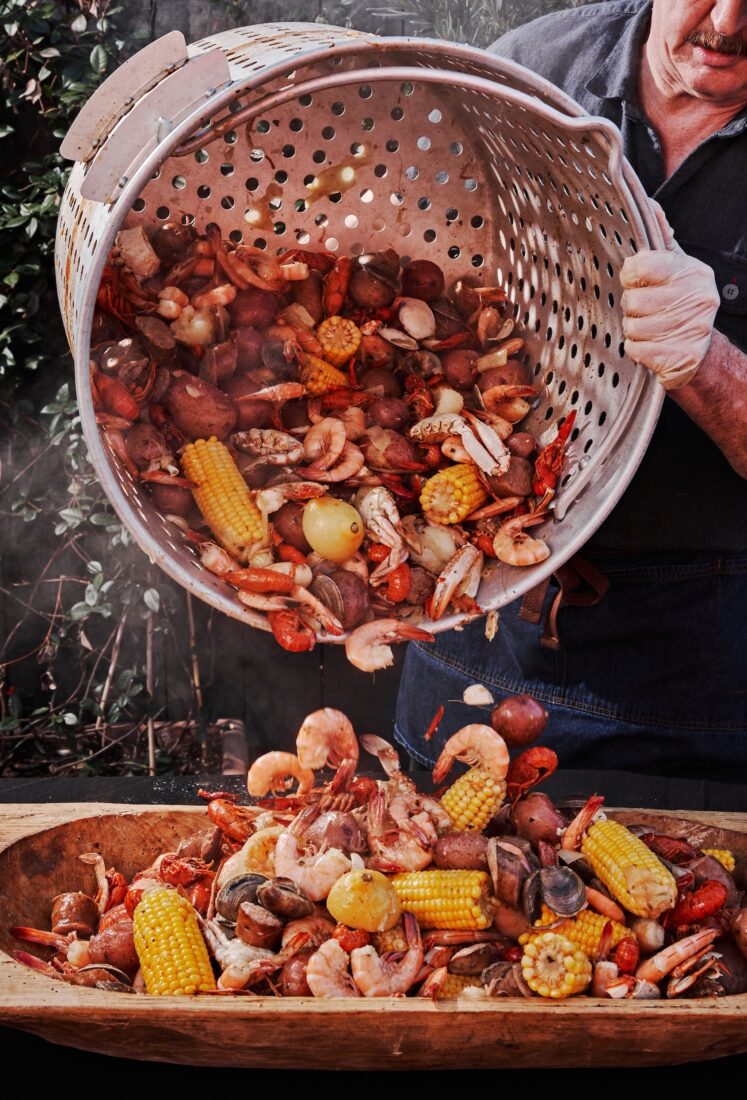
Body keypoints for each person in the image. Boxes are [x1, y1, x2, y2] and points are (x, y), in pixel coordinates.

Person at [394, 0, 747, 776]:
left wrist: (709, 363)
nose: (724, 22)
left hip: (697, 684)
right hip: (472, 630)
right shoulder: (533, 68)